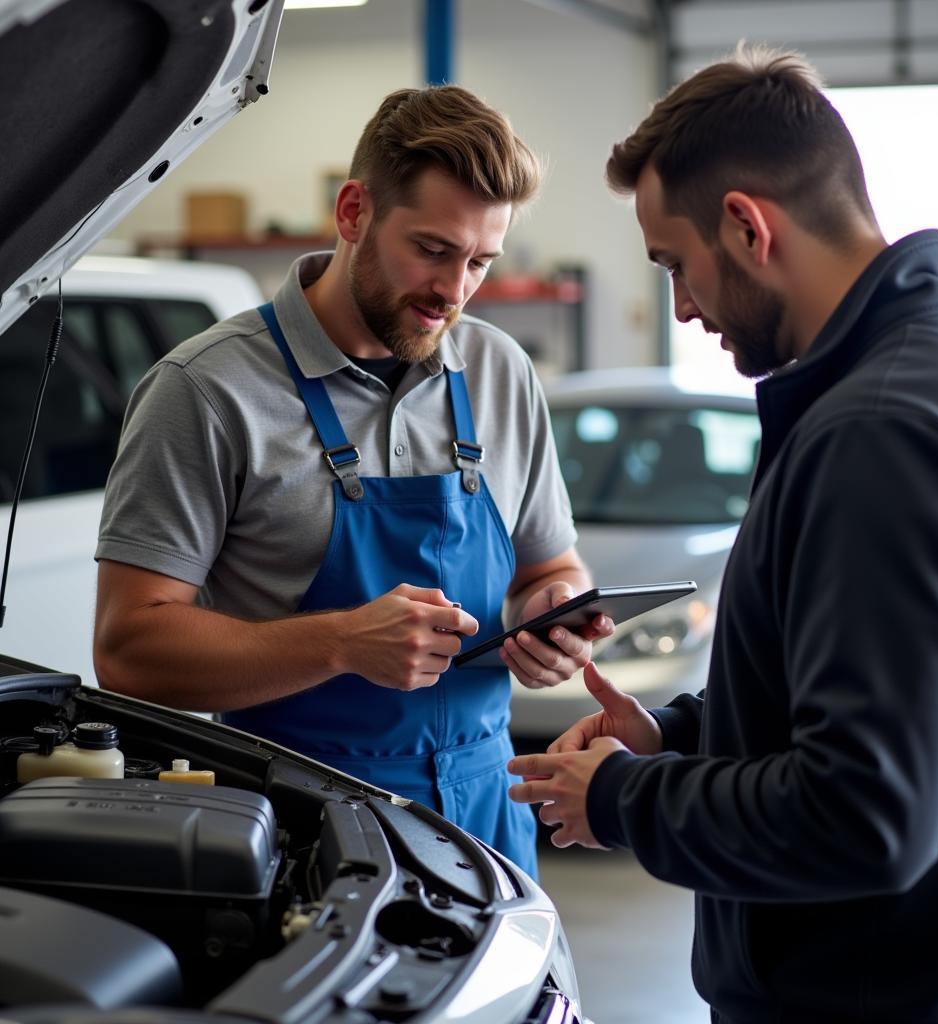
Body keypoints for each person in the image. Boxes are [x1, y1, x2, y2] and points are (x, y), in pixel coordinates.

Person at [508, 43, 938, 1022]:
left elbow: (865, 812)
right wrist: (674, 737)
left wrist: (622, 799)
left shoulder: (880, 433)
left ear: (745, 225)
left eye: (675, 266)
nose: (682, 307)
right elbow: (902, 702)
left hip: (873, 998)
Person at [93, 84, 612, 878]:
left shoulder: (502, 370)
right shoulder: (205, 390)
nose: (455, 291)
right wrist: (337, 643)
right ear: (353, 213)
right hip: (305, 827)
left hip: (487, 811)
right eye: (433, 250)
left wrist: (551, 615)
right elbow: (128, 650)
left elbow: (552, 566)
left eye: (480, 262)